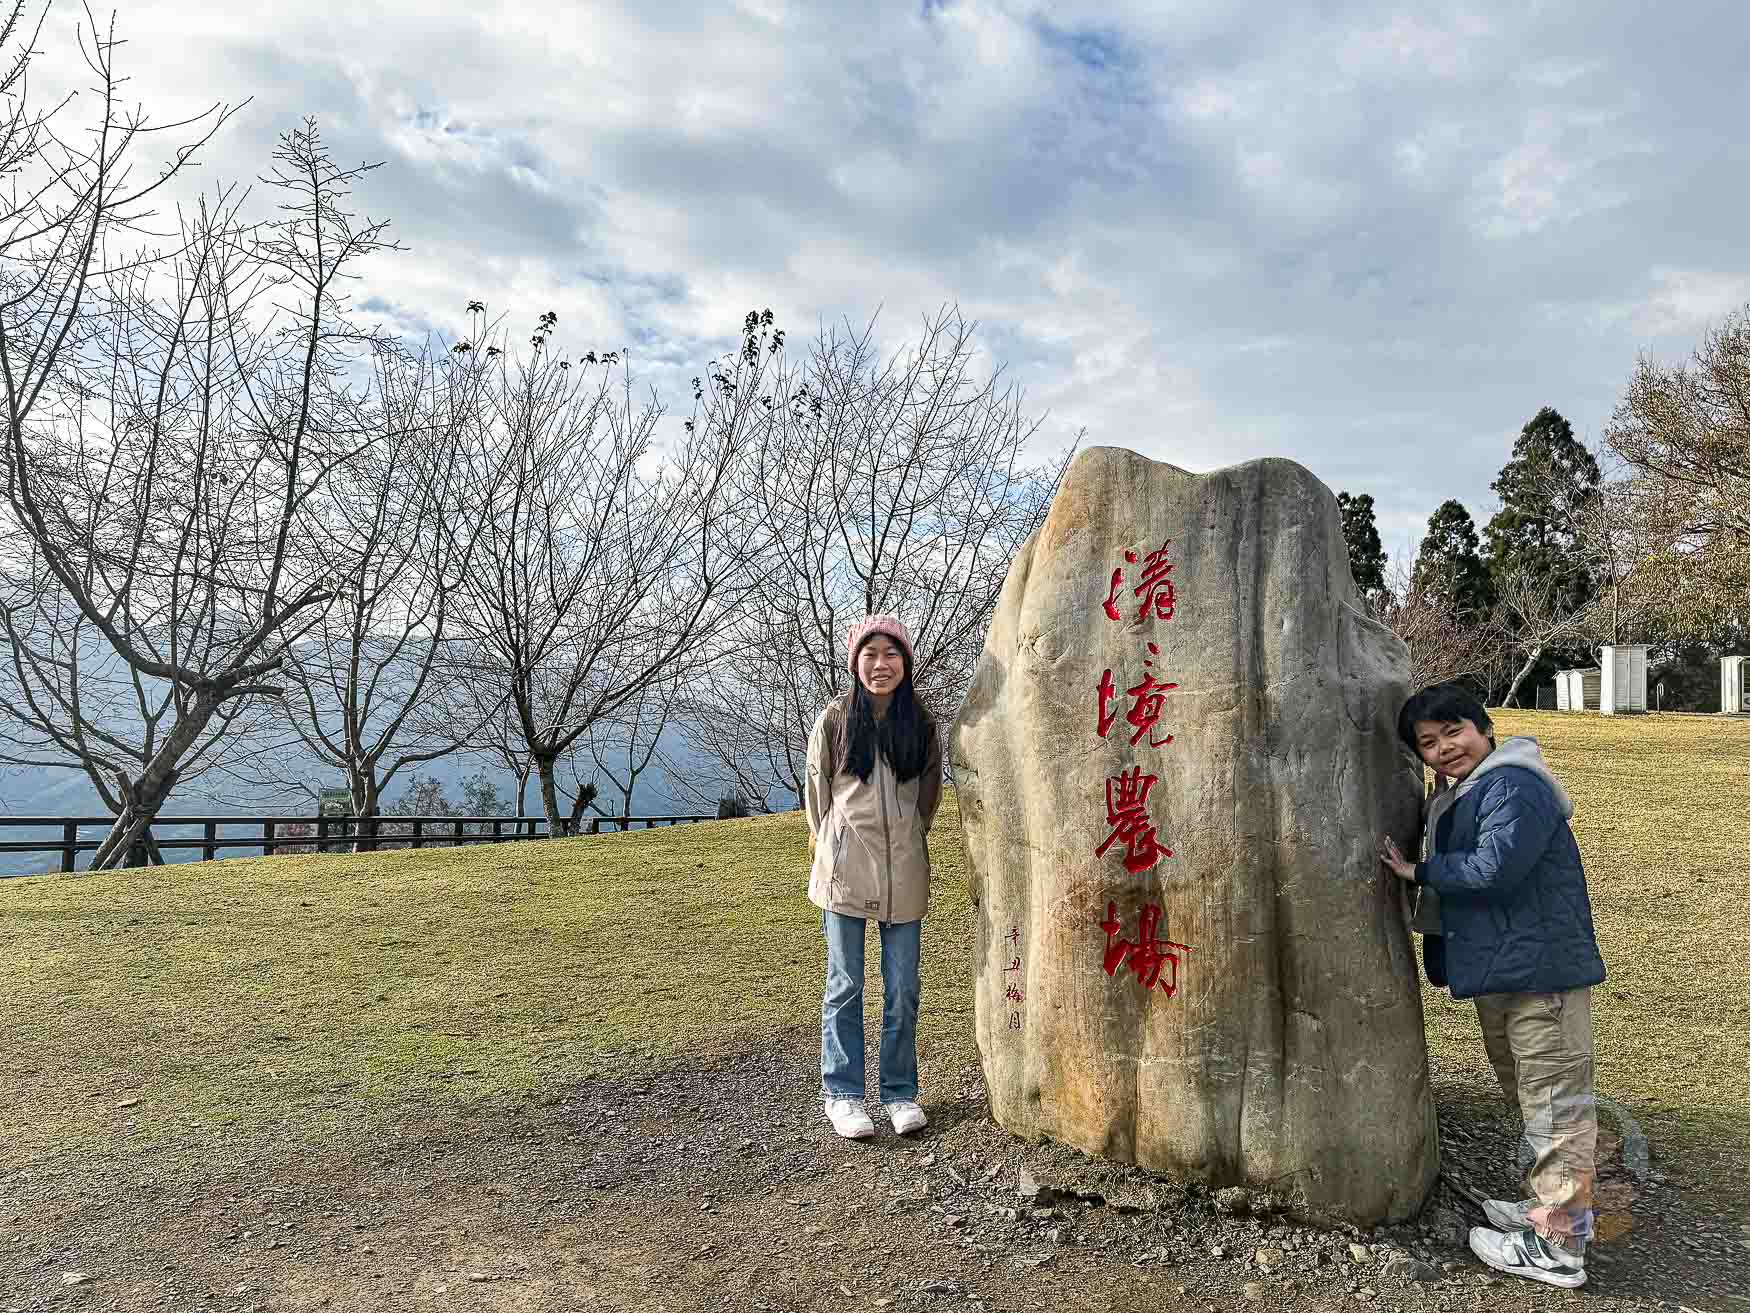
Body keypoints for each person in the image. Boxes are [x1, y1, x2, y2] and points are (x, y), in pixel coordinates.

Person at [1380, 681, 1607, 1290]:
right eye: (1428, 743)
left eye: (1454, 731)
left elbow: (1495, 867)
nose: (1444, 748)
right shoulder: (1469, 789)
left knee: (1555, 1105)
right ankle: (1551, 1209)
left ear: (1483, 727)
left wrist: (1417, 870)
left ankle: (1559, 1246)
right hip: (1510, 971)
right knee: (1534, 1097)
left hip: (1542, 976)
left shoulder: (1514, 783)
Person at [804, 614, 942, 1140]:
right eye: (870, 653)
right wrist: (832, 843)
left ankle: (900, 1091)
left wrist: (908, 839)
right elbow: (817, 796)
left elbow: (927, 798)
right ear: (854, 661)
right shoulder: (836, 720)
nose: (880, 664)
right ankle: (842, 1094)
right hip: (844, 874)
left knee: (903, 988)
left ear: (905, 663)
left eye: (891, 654)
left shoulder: (922, 725)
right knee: (845, 986)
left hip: (904, 874)